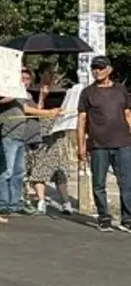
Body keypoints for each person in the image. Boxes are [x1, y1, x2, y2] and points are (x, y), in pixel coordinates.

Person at [0, 67, 58, 217]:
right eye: (22, 79)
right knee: (6, 170)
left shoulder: (26, 95)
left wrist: (42, 97)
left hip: (21, 137)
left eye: (27, 79)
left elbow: (35, 109)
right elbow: (18, 106)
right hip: (7, 135)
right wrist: (15, 92)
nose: (25, 82)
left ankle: (14, 203)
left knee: (18, 172)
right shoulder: (7, 91)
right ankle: (1, 202)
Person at [76, 55, 131, 232]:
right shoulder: (87, 93)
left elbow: (128, 114)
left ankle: (127, 218)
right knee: (99, 183)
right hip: (98, 144)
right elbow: (81, 120)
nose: (97, 71)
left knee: (126, 182)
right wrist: (81, 146)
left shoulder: (121, 90)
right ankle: (104, 217)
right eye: (94, 68)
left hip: (123, 143)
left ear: (109, 70)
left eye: (100, 68)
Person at [26, 67, 75, 215]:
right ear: (41, 74)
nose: (50, 76)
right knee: (40, 164)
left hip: (57, 127)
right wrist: (42, 96)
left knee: (59, 167)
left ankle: (66, 202)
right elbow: (35, 110)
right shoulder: (32, 92)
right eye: (47, 73)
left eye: (52, 74)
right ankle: (41, 200)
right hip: (40, 128)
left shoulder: (62, 91)